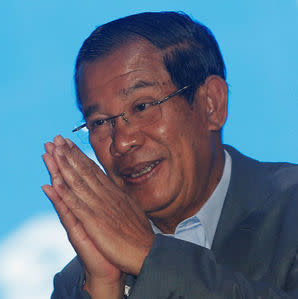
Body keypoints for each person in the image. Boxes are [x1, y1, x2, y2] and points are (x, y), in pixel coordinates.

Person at [42, 11, 298, 298]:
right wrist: (105, 288)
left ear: (211, 103)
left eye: (142, 107)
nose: (122, 142)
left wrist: (151, 257)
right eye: (100, 122)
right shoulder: (78, 282)